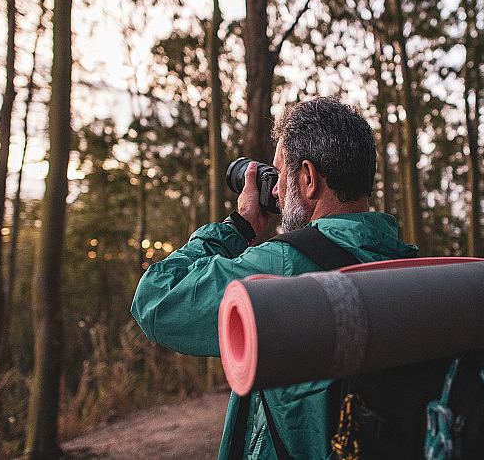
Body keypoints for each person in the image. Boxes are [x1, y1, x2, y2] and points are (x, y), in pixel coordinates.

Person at [131, 96, 418, 460]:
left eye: (280, 174)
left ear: (309, 179)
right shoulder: (410, 263)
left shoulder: (283, 264)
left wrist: (238, 226)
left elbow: (157, 299)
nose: (277, 191)